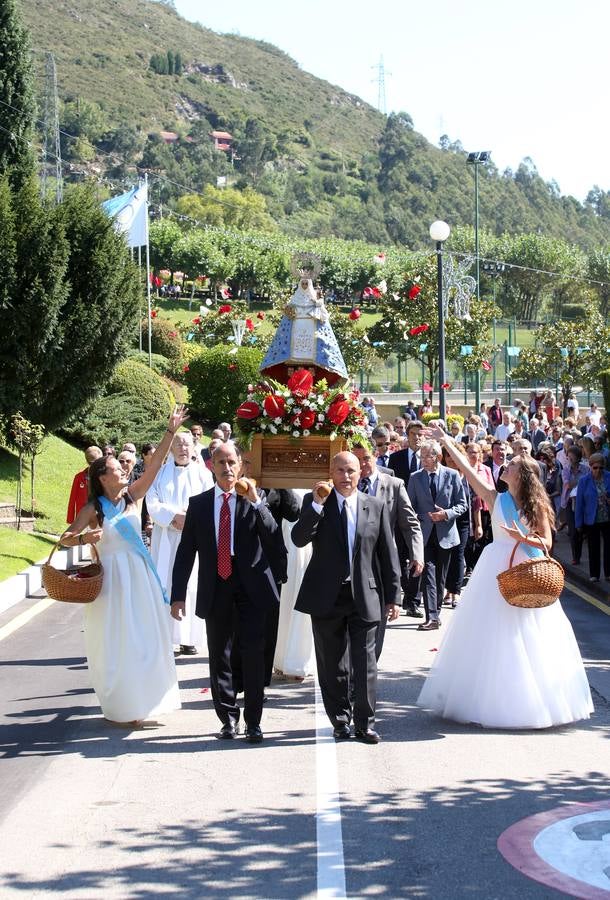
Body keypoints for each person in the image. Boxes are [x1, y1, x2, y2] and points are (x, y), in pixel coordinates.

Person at [417, 424, 593, 728]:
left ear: (520, 475)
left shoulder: (535, 505)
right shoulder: (496, 498)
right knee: (491, 634)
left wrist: (521, 537)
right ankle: (490, 698)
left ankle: (533, 701)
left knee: (529, 632)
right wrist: (446, 441)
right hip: (495, 569)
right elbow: (468, 472)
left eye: (510, 464)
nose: (505, 464)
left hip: (527, 568)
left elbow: (547, 544)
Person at [58, 406, 188, 726]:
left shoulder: (133, 496)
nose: (124, 472)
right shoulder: (93, 508)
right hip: (111, 586)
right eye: (117, 469)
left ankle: (148, 701)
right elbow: (65, 539)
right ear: (103, 478)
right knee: (118, 644)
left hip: (139, 579)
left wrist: (170, 431)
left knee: (146, 639)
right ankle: (123, 707)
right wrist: (86, 538)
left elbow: (154, 467)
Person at [170, 442, 286, 743]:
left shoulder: (255, 500)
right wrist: (177, 595)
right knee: (219, 654)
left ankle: (254, 721)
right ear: (211, 466)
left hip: (252, 587)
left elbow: (273, 537)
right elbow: (185, 552)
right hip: (216, 585)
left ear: (241, 465)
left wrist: (257, 502)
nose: (226, 468)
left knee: (252, 652)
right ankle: (227, 718)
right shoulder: (198, 504)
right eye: (220, 462)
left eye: (231, 461)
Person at [291, 451, 401, 743]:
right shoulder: (315, 503)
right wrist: (315, 504)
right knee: (332, 664)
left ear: (360, 472)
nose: (346, 476)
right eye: (340, 470)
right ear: (331, 471)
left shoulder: (374, 506)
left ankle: (365, 723)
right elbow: (299, 538)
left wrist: (394, 596)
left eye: (351, 470)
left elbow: (387, 553)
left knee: (365, 664)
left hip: (364, 594)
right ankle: (340, 720)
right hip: (326, 595)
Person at [352, 442, 424, 656]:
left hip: (383, 562)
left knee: (379, 620)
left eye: (366, 458)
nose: (362, 464)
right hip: (354, 558)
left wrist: (416, 554)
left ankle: (369, 668)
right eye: (357, 460)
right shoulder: (347, 484)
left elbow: (410, 524)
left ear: (375, 456)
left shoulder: (394, 484)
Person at [147, 432, 213, 656]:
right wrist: (173, 516)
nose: (183, 448)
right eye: (178, 445)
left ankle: (189, 639)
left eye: (187, 444)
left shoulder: (203, 474)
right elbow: (151, 501)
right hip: (165, 536)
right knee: (165, 582)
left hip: (193, 537)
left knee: (192, 584)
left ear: (194, 448)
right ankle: (166, 637)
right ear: (171, 449)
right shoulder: (160, 473)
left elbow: (209, 501)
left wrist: (190, 520)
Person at [407, 440, 467, 630]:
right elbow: (409, 507)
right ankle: (431, 616)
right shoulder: (415, 478)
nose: (423, 460)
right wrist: (421, 516)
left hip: (446, 534)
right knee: (428, 575)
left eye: (427, 456)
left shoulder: (452, 475)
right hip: (424, 534)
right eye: (421, 456)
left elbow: (462, 504)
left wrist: (446, 514)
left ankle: (436, 613)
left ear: (438, 457)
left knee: (440, 577)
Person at [575, 452, 610, 582]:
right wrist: (578, 523)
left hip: (607, 518)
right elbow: (579, 503)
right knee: (593, 547)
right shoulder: (584, 481)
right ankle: (594, 574)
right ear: (590, 467)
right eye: (595, 468)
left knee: (609, 548)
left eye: (601, 468)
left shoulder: (609, 477)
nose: (598, 470)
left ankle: (608, 573)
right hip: (592, 519)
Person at [562, 446, 588, 565]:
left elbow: (588, 484)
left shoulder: (585, 469)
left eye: (572, 457)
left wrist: (577, 483)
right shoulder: (566, 469)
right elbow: (567, 485)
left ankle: (578, 552)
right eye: (568, 457)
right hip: (569, 502)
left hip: (582, 503)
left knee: (580, 531)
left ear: (578, 458)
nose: (569, 460)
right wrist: (580, 483)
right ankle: (575, 557)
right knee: (573, 532)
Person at [66, 446, 103, 525]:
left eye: (96, 463)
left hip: (98, 516)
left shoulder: (103, 477)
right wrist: (70, 519)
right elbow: (72, 499)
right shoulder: (79, 477)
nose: (93, 465)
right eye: (90, 463)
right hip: (82, 516)